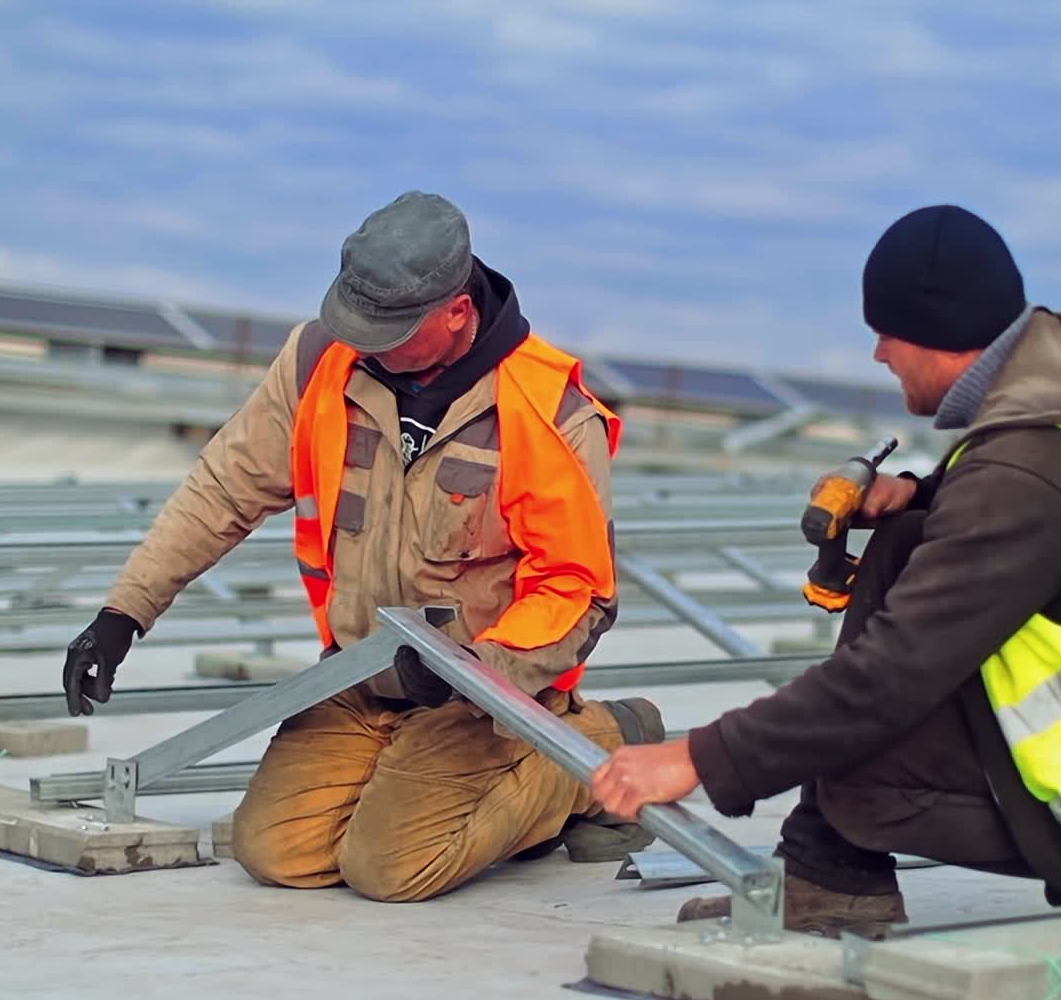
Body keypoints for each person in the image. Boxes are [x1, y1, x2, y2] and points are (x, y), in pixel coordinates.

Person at [592, 203, 1061, 962]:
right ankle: (829, 878)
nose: (878, 354)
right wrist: (925, 497)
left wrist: (699, 758)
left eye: (886, 333)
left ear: (935, 337)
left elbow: (889, 677)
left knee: (856, 750)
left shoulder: (1025, 474)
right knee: (908, 547)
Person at [62, 190, 664, 900]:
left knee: (392, 868)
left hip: (481, 697)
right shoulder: (322, 359)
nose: (366, 343)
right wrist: (124, 613)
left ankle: (602, 743)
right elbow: (226, 487)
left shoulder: (547, 411)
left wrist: (473, 672)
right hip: (357, 678)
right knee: (274, 853)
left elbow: (579, 590)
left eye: (390, 329)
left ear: (457, 313)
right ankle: (413, 771)